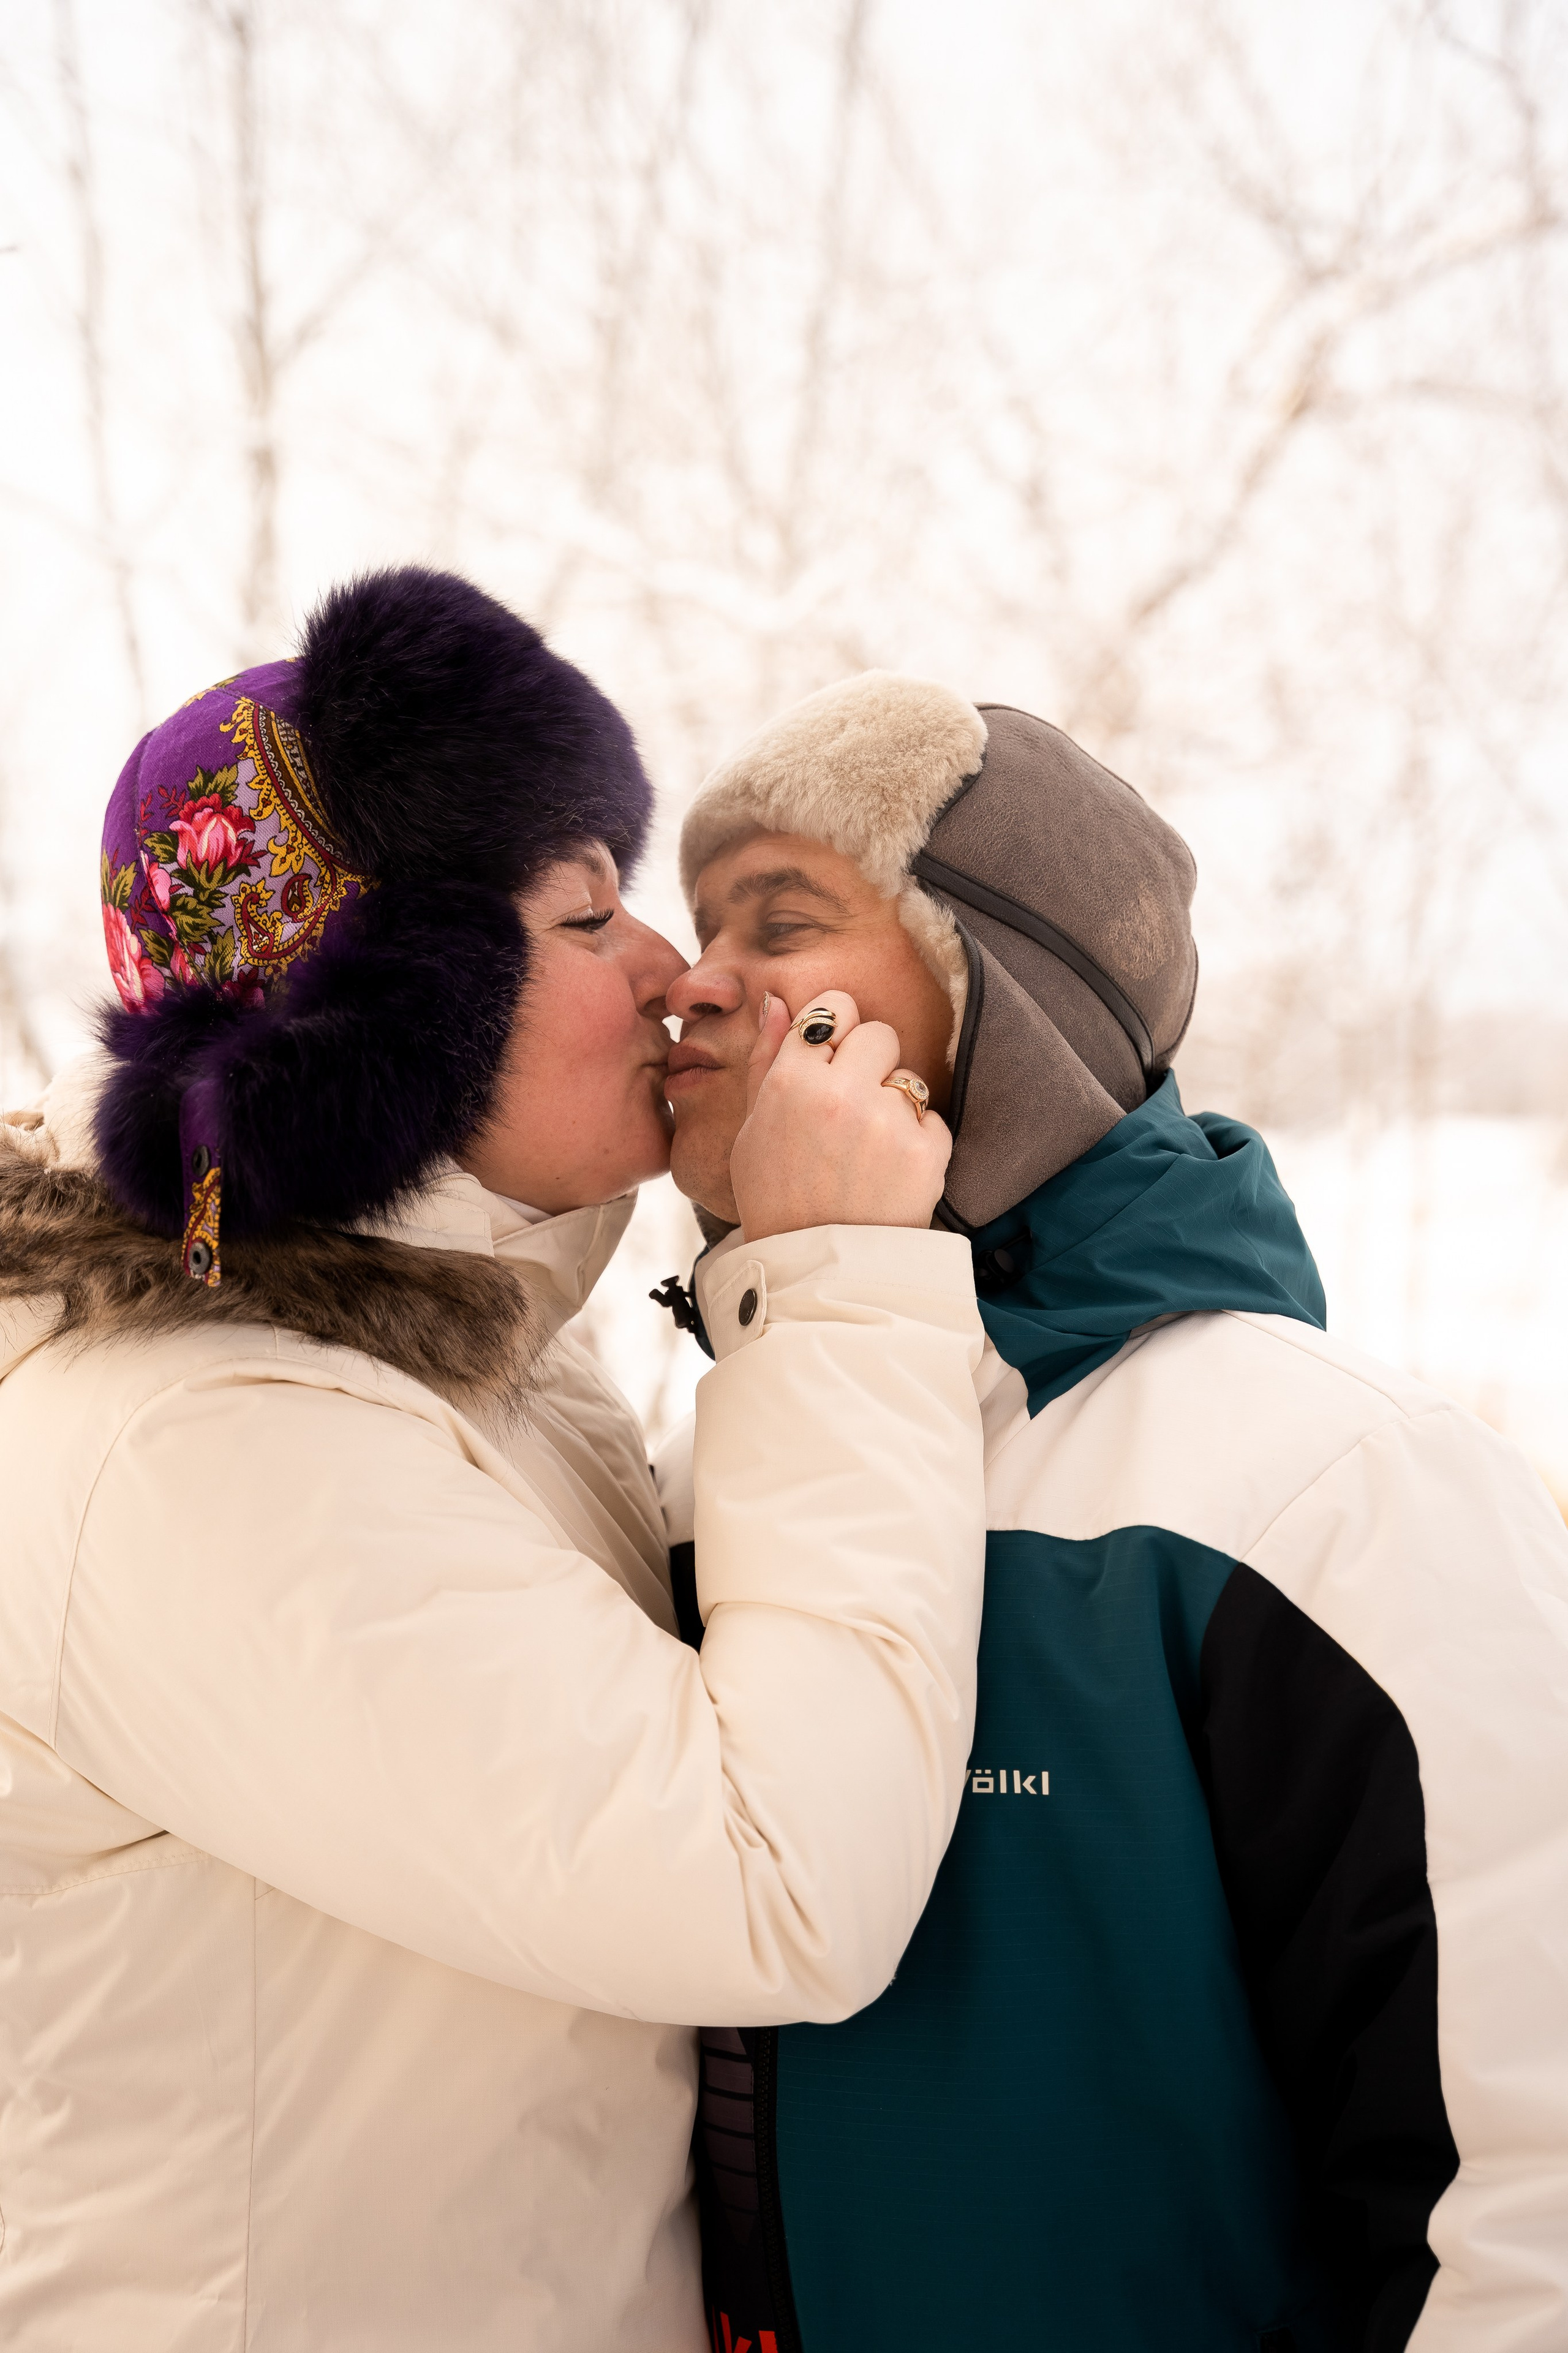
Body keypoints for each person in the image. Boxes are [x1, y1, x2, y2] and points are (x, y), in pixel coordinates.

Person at [0, 577, 990, 2351]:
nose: (675, 971)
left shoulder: (472, 1362)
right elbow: (781, 1880)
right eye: (587, 913)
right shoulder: (196, 1439)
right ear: (389, 1013)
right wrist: (836, 1286)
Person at [657, 671, 1568, 2353]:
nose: (692, 986)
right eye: (693, 924)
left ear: (1001, 987)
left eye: (780, 923)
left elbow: (1522, 2191)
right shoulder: (726, 1477)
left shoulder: (1327, 1488)